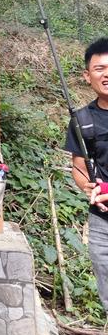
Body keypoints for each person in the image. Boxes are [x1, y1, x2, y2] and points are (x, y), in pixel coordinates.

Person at [64, 37, 108, 315]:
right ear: (87, 75)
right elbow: (79, 167)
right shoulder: (82, 120)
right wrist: (88, 187)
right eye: (99, 69)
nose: (106, 75)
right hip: (102, 219)